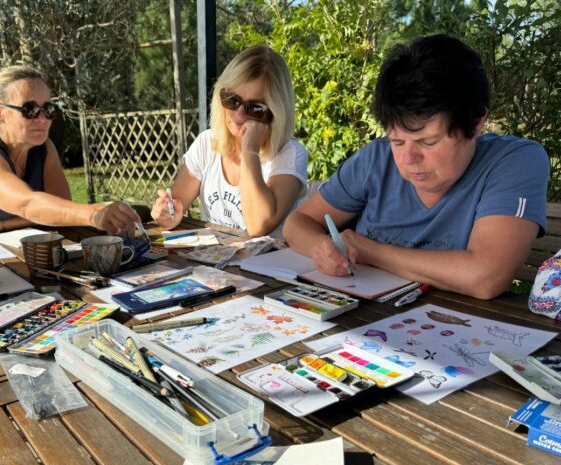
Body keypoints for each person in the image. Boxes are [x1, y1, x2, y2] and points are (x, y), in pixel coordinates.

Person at [283, 34, 549, 300]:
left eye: (428, 142)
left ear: (477, 123)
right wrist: (320, 246)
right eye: (397, 141)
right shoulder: (376, 159)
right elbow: (297, 223)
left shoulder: (514, 161)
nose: (408, 159)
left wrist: (371, 251)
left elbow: (486, 277)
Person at [0, 66, 140, 239]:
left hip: (4, 255)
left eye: (48, 109)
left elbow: (61, 210)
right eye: (29, 109)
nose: (42, 119)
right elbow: (28, 204)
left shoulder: (43, 149)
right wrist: (95, 213)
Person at [150, 45, 309, 238]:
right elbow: (175, 205)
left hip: (266, 265)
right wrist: (168, 214)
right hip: (214, 262)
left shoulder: (289, 154)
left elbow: (258, 225)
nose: (239, 114)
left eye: (254, 107)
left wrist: (250, 150)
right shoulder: (207, 143)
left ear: (275, 112)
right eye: (231, 99)